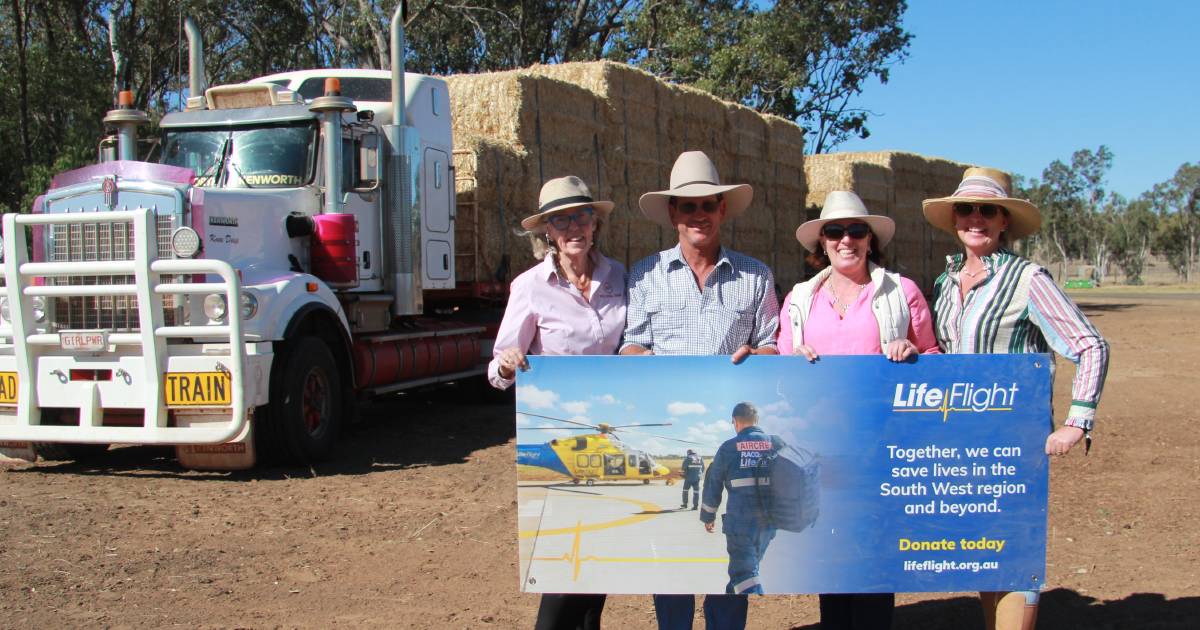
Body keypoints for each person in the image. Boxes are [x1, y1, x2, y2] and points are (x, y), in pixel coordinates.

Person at [922, 167, 1110, 630]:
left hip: (1013, 440)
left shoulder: (1029, 279)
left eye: (989, 210)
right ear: (954, 219)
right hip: (962, 441)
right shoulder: (945, 282)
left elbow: (1089, 345)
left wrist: (1076, 420)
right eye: (966, 209)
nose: (976, 218)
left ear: (1004, 221)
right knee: (984, 550)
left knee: (1013, 549)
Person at [621, 150, 779, 630]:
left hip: (732, 439)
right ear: (673, 214)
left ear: (722, 210)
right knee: (673, 559)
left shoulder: (756, 275)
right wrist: (639, 359)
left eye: (707, 204)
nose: (698, 215)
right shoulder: (644, 274)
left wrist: (758, 356)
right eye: (687, 207)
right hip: (676, 430)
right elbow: (630, 343)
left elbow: (774, 347)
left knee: (731, 558)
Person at [778, 190, 940, 630]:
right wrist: (792, 361)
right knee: (830, 558)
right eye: (835, 231)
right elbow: (781, 365)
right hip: (820, 447)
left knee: (873, 559)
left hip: (880, 446)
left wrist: (913, 353)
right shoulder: (799, 298)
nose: (845, 240)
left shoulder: (900, 292)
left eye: (855, 231)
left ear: (870, 240)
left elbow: (935, 357)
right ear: (822, 242)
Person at [488, 175, 626, 630]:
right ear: (546, 230)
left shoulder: (620, 276)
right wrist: (508, 364)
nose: (573, 227)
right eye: (561, 219)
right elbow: (497, 368)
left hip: (611, 435)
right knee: (563, 561)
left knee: (600, 555)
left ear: (595, 223)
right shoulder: (530, 286)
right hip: (557, 437)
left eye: (581, 216)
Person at [699, 402, 781, 596]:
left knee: (744, 575)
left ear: (735, 422)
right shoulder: (776, 444)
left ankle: (755, 610)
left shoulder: (728, 448)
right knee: (746, 571)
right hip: (769, 524)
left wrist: (708, 516)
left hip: (741, 525)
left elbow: (713, 483)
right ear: (757, 420)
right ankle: (727, 604)